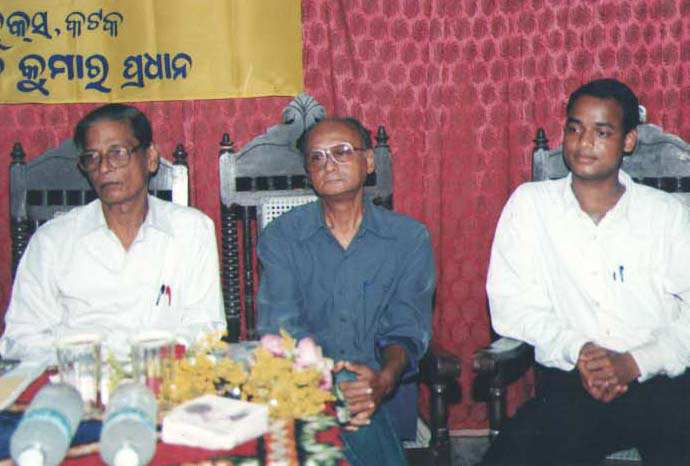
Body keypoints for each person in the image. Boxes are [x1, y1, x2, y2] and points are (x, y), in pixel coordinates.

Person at [482, 78, 690, 465]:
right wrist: (579, 349)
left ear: (629, 141)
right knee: (514, 452)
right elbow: (511, 306)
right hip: (572, 383)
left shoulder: (666, 215)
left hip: (659, 382)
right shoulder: (531, 206)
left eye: (602, 132)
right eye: (575, 128)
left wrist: (635, 362)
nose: (584, 143)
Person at [256, 117, 434, 465]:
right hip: (305, 390)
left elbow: (407, 327)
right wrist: (332, 385)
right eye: (317, 157)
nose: (329, 164)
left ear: (368, 161)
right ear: (308, 173)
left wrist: (383, 380)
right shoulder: (282, 237)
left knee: (354, 404)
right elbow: (281, 326)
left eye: (341, 152)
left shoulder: (408, 239)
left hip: (384, 393)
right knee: (344, 399)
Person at [0, 104, 226, 362]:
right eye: (92, 158)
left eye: (117, 153)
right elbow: (20, 339)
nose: (104, 167)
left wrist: (144, 358)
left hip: (162, 376)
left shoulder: (192, 231)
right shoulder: (52, 241)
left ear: (150, 158)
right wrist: (91, 358)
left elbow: (206, 329)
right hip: (80, 377)